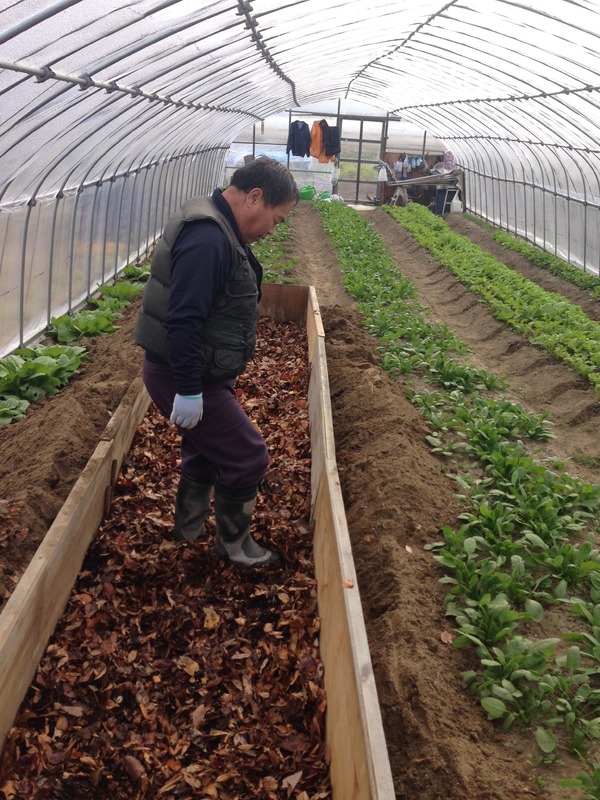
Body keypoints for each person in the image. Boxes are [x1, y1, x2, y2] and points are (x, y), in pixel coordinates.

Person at [134, 157, 299, 567]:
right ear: (254, 197)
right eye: (276, 220)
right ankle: (235, 547)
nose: (271, 231)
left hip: (201, 370)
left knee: (207, 449)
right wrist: (189, 389)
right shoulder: (209, 238)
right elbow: (183, 320)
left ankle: (188, 530)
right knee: (248, 454)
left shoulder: (216, 224)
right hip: (184, 373)